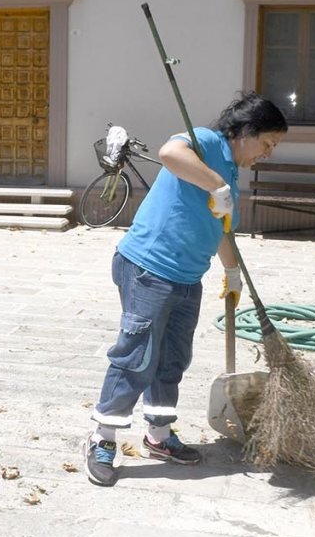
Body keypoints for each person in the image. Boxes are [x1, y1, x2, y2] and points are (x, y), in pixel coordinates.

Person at [85, 90, 287, 487]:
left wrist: (232, 274)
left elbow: (223, 230)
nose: (268, 153)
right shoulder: (207, 142)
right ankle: (102, 437)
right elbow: (169, 154)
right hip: (148, 268)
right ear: (245, 132)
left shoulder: (232, 175)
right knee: (137, 356)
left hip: (187, 277)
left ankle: (158, 435)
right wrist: (216, 184)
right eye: (267, 143)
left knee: (172, 360)